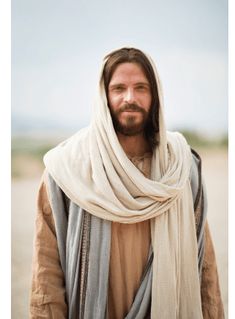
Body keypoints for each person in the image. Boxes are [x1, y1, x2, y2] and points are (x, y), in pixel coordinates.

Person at [30, 47, 224, 319]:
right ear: (104, 96)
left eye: (141, 88)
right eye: (119, 88)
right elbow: (46, 274)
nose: (130, 98)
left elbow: (204, 270)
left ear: (155, 96)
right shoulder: (67, 171)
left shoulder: (181, 169)